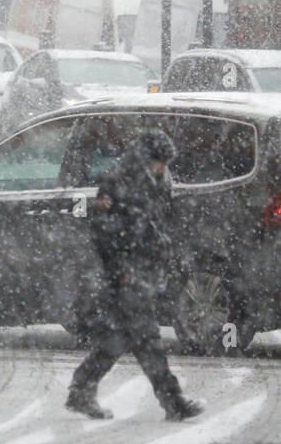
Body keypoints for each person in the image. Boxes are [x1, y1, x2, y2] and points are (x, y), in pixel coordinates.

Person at [66, 128, 206, 422]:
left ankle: (81, 390)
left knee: (118, 338)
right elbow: (103, 234)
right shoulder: (116, 183)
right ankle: (173, 401)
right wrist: (122, 271)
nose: (164, 168)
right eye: (160, 162)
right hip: (127, 277)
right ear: (146, 159)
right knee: (148, 340)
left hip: (143, 273)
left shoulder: (154, 183)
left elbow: (155, 228)